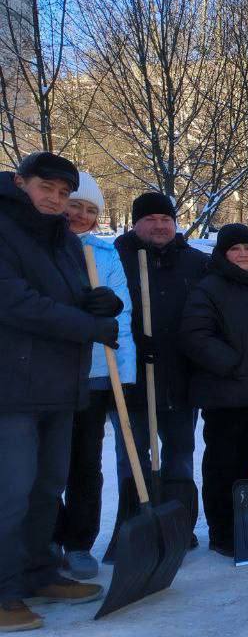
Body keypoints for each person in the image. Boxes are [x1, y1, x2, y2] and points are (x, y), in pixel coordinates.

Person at [0, 153, 117, 631]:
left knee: (49, 487)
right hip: (11, 386)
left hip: (59, 383)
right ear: (21, 182)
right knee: (12, 492)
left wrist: (101, 301)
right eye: (46, 188)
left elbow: (72, 295)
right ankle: (4, 593)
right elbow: (16, 302)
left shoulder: (63, 240)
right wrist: (87, 324)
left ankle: (40, 572)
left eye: (64, 193)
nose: (55, 199)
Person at [180, 225, 248, 557]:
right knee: (222, 462)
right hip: (225, 392)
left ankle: (241, 516)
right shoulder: (210, 288)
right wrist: (233, 364)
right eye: (235, 248)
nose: (244, 254)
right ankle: (221, 529)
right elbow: (195, 336)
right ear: (222, 253)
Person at [111, 191, 208, 547]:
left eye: (165, 219)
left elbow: (224, 286)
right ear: (135, 223)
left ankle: (177, 522)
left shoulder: (194, 261)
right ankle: (136, 525)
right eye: (150, 219)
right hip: (132, 377)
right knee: (134, 454)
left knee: (180, 452)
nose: (159, 226)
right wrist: (134, 341)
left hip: (181, 376)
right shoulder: (116, 259)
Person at [55, 172, 135, 581]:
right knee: (45, 463)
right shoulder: (40, 248)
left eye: (91, 210)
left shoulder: (104, 255)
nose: (82, 216)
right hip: (48, 373)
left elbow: (124, 314)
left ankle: (79, 542)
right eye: (76, 206)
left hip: (95, 373)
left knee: (86, 463)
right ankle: (48, 538)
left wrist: (124, 369)